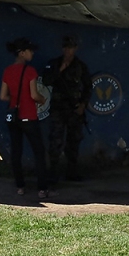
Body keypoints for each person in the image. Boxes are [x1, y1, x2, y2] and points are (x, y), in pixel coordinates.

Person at [0, 37, 51, 199]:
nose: (32, 53)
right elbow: (34, 95)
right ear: (22, 53)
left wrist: (15, 99)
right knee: (39, 152)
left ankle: (20, 186)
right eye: (30, 50)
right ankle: (42, 189)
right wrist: (43, 100)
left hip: (14, 118)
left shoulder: (8, 71)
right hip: (29, 116)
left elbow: (3, 96)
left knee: (16, 152)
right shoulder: (30, 71)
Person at [42, 35, 90, 181]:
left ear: (75, 49)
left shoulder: (80, 66)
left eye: (71, 48)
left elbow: (88, 87)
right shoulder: (54, 64)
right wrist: (60, 70)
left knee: (74, 140)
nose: (69, 51)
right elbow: (46, 80)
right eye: (66, 47)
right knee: (55, 140)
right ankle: (53, 172)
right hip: (58, 108)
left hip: (74, 109)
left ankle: (72, 171)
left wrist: (83, 105)